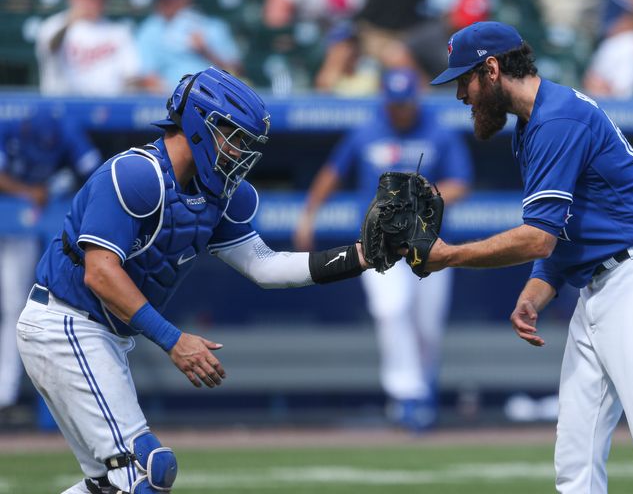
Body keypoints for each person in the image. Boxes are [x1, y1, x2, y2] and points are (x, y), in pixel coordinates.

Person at [16, 67, 371, 494]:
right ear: (202, 125)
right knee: (149, 472)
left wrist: (361, 256)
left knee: (111, 486)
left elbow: (265, 266)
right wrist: (173, 340)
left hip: (98, 335)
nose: (240, 151)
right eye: (234, 136)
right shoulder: (136, 175)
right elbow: (100, 273)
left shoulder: (218, 192)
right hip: (65, 324)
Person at [427, 21, 633, 492]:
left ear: (492, 69)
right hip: (601, 286)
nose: (461, 95)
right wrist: (536, 294)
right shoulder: (533, 124)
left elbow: (538, 237)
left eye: (464, 80)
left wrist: (450, 255)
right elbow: (558, 236)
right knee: (575, 458)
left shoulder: (556, 119)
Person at [294, 68, 473, 432]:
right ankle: (407, 395)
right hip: (381, 246)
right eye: (394, 105)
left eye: (405, 105)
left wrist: (426, 197)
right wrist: (309, 214)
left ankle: (424, 390)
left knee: (426, 327)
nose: (399, 111)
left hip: (429, 244)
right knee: (391, 310)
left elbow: (461, 184)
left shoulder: (437, 130)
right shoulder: (367, 130)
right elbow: (333, 172)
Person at [0, 109, 101, 420]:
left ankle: (4, 396)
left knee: (16, 305)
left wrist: (57, 185)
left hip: (25, 228)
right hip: (10, 213)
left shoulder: (66, 132)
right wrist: (30, 190)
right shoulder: (9, 127)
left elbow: (95, 169)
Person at [36, 0, 141, 96]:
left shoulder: (119, 32)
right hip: (62, 106)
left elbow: (132, 76)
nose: (96, 0)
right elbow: (50, 48)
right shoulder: (52, 26)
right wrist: (69, 22)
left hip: (109, 107)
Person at [136, 0, 243, 94]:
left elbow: (236, 72)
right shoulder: (149, 30)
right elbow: (147, 77)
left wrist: (206, 51)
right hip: (170, 98)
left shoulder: (210, 26)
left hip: (214, 97)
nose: (169, 3)